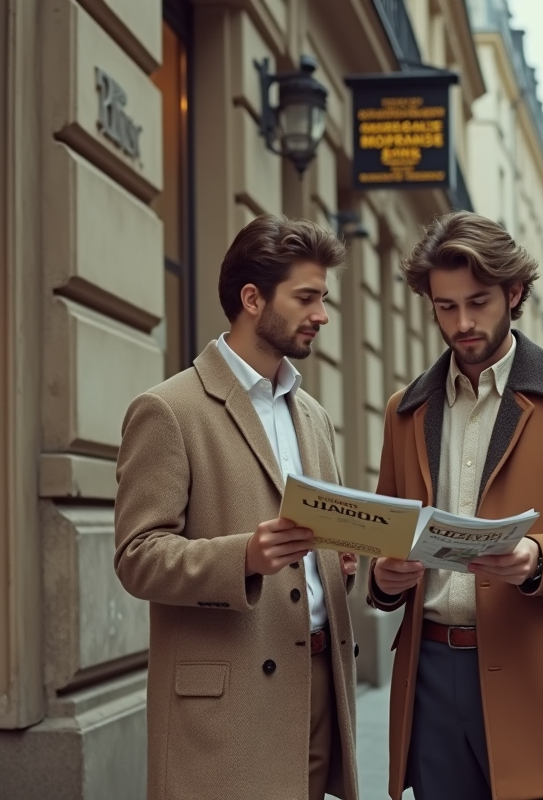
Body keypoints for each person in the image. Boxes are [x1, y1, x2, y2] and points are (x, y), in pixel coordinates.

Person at [368, 211, 543, 800]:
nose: (462, 322)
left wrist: (538, 558)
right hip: (432, 674)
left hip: (536, 673)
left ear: (514, 293)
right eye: (445, 307)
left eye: (479, 302)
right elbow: (388, 534)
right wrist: (385, 578)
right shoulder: (404, 410)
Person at [114, 214, 360, 800]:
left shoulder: (315, 418)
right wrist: (244, 556)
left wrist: (340, 566)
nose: (321, 315)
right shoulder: (169, 410)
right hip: (230, 706)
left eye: (322, 298)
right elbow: (136, 557)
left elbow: (319, 552)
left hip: (322, 683)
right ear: (252, 298)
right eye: (306, 298)